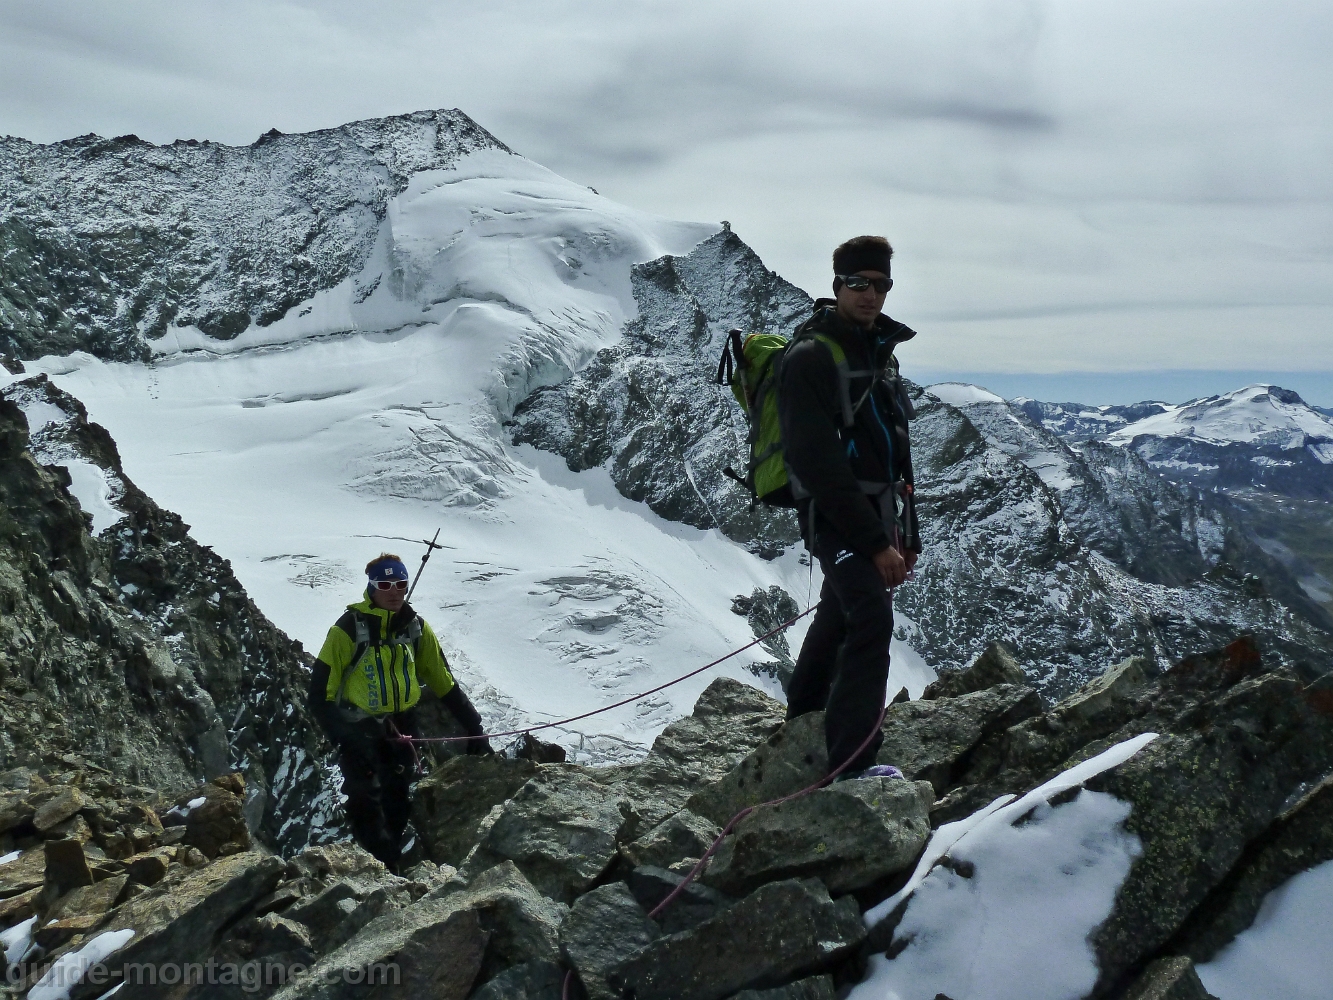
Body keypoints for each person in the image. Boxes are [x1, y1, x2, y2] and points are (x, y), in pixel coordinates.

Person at [778, 235, 922, 780]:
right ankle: (853, 762)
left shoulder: (879, 354)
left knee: (840, 613)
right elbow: (815, 463)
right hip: (835, 515)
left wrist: (907, 535)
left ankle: (805, 717)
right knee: (869, 617)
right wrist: (875, 543)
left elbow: (896, 448)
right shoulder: (811, 357)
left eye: (881, 285)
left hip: (877, 514)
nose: (871, 295)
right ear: (836, 285)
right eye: (859, 284)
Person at [308, 553, 492, 871]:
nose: (395, 591)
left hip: (403, 730)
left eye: (401, 584)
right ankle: (383, 867)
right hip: (360, 730)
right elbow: (319, 694)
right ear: (372, 587)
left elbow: (443, 683)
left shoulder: (415, 629)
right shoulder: (347, 630)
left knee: (398, 800)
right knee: (365, 801)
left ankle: (387, 870)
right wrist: (347, 739)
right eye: (386, 584)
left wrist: (473, 727)